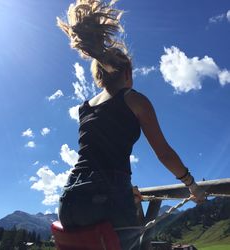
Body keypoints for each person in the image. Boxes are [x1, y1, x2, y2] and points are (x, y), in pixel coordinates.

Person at [56, 0, 205, 249]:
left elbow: (98, 151)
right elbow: (164, 152)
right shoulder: (134, 99)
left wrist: (124, 190)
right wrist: (192, 185)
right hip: (108, 196)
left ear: (99, 77)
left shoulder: (85, 108)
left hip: (71, 197)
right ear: (128, 74)